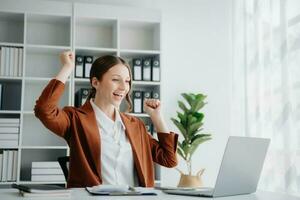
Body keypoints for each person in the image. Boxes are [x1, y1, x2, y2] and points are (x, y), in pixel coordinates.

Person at [34, 51, 178, 188]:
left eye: (127, 81)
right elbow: (44, 110)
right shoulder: (76, 119)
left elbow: (169, 159)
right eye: (116, 80)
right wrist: (67, 67)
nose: (123, 87)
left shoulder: (135, 125)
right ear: (95, 82)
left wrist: (157, 117)